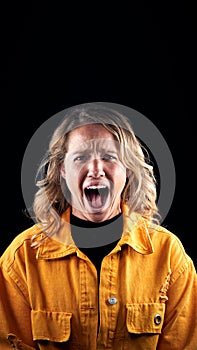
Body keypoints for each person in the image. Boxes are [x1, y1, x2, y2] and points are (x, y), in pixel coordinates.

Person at [0, 102, 196, 350]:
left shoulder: (169, 257)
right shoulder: (21, 259)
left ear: (128, 169)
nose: (95, 170)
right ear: (62, 169)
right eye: (81, 157)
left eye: (108, 157)